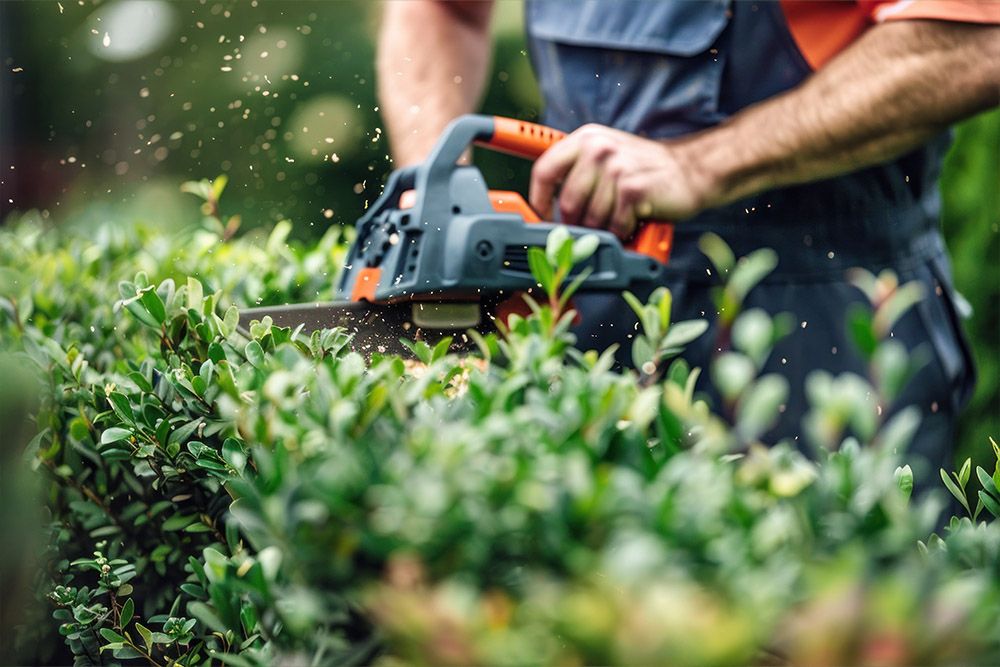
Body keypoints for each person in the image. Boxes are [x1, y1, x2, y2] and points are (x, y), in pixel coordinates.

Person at [376, 1, 999, 480]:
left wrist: (700, 165)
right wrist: (437, 183)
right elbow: (442, 9)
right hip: (580, 293)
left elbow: (973, 41)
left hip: (819, 309)